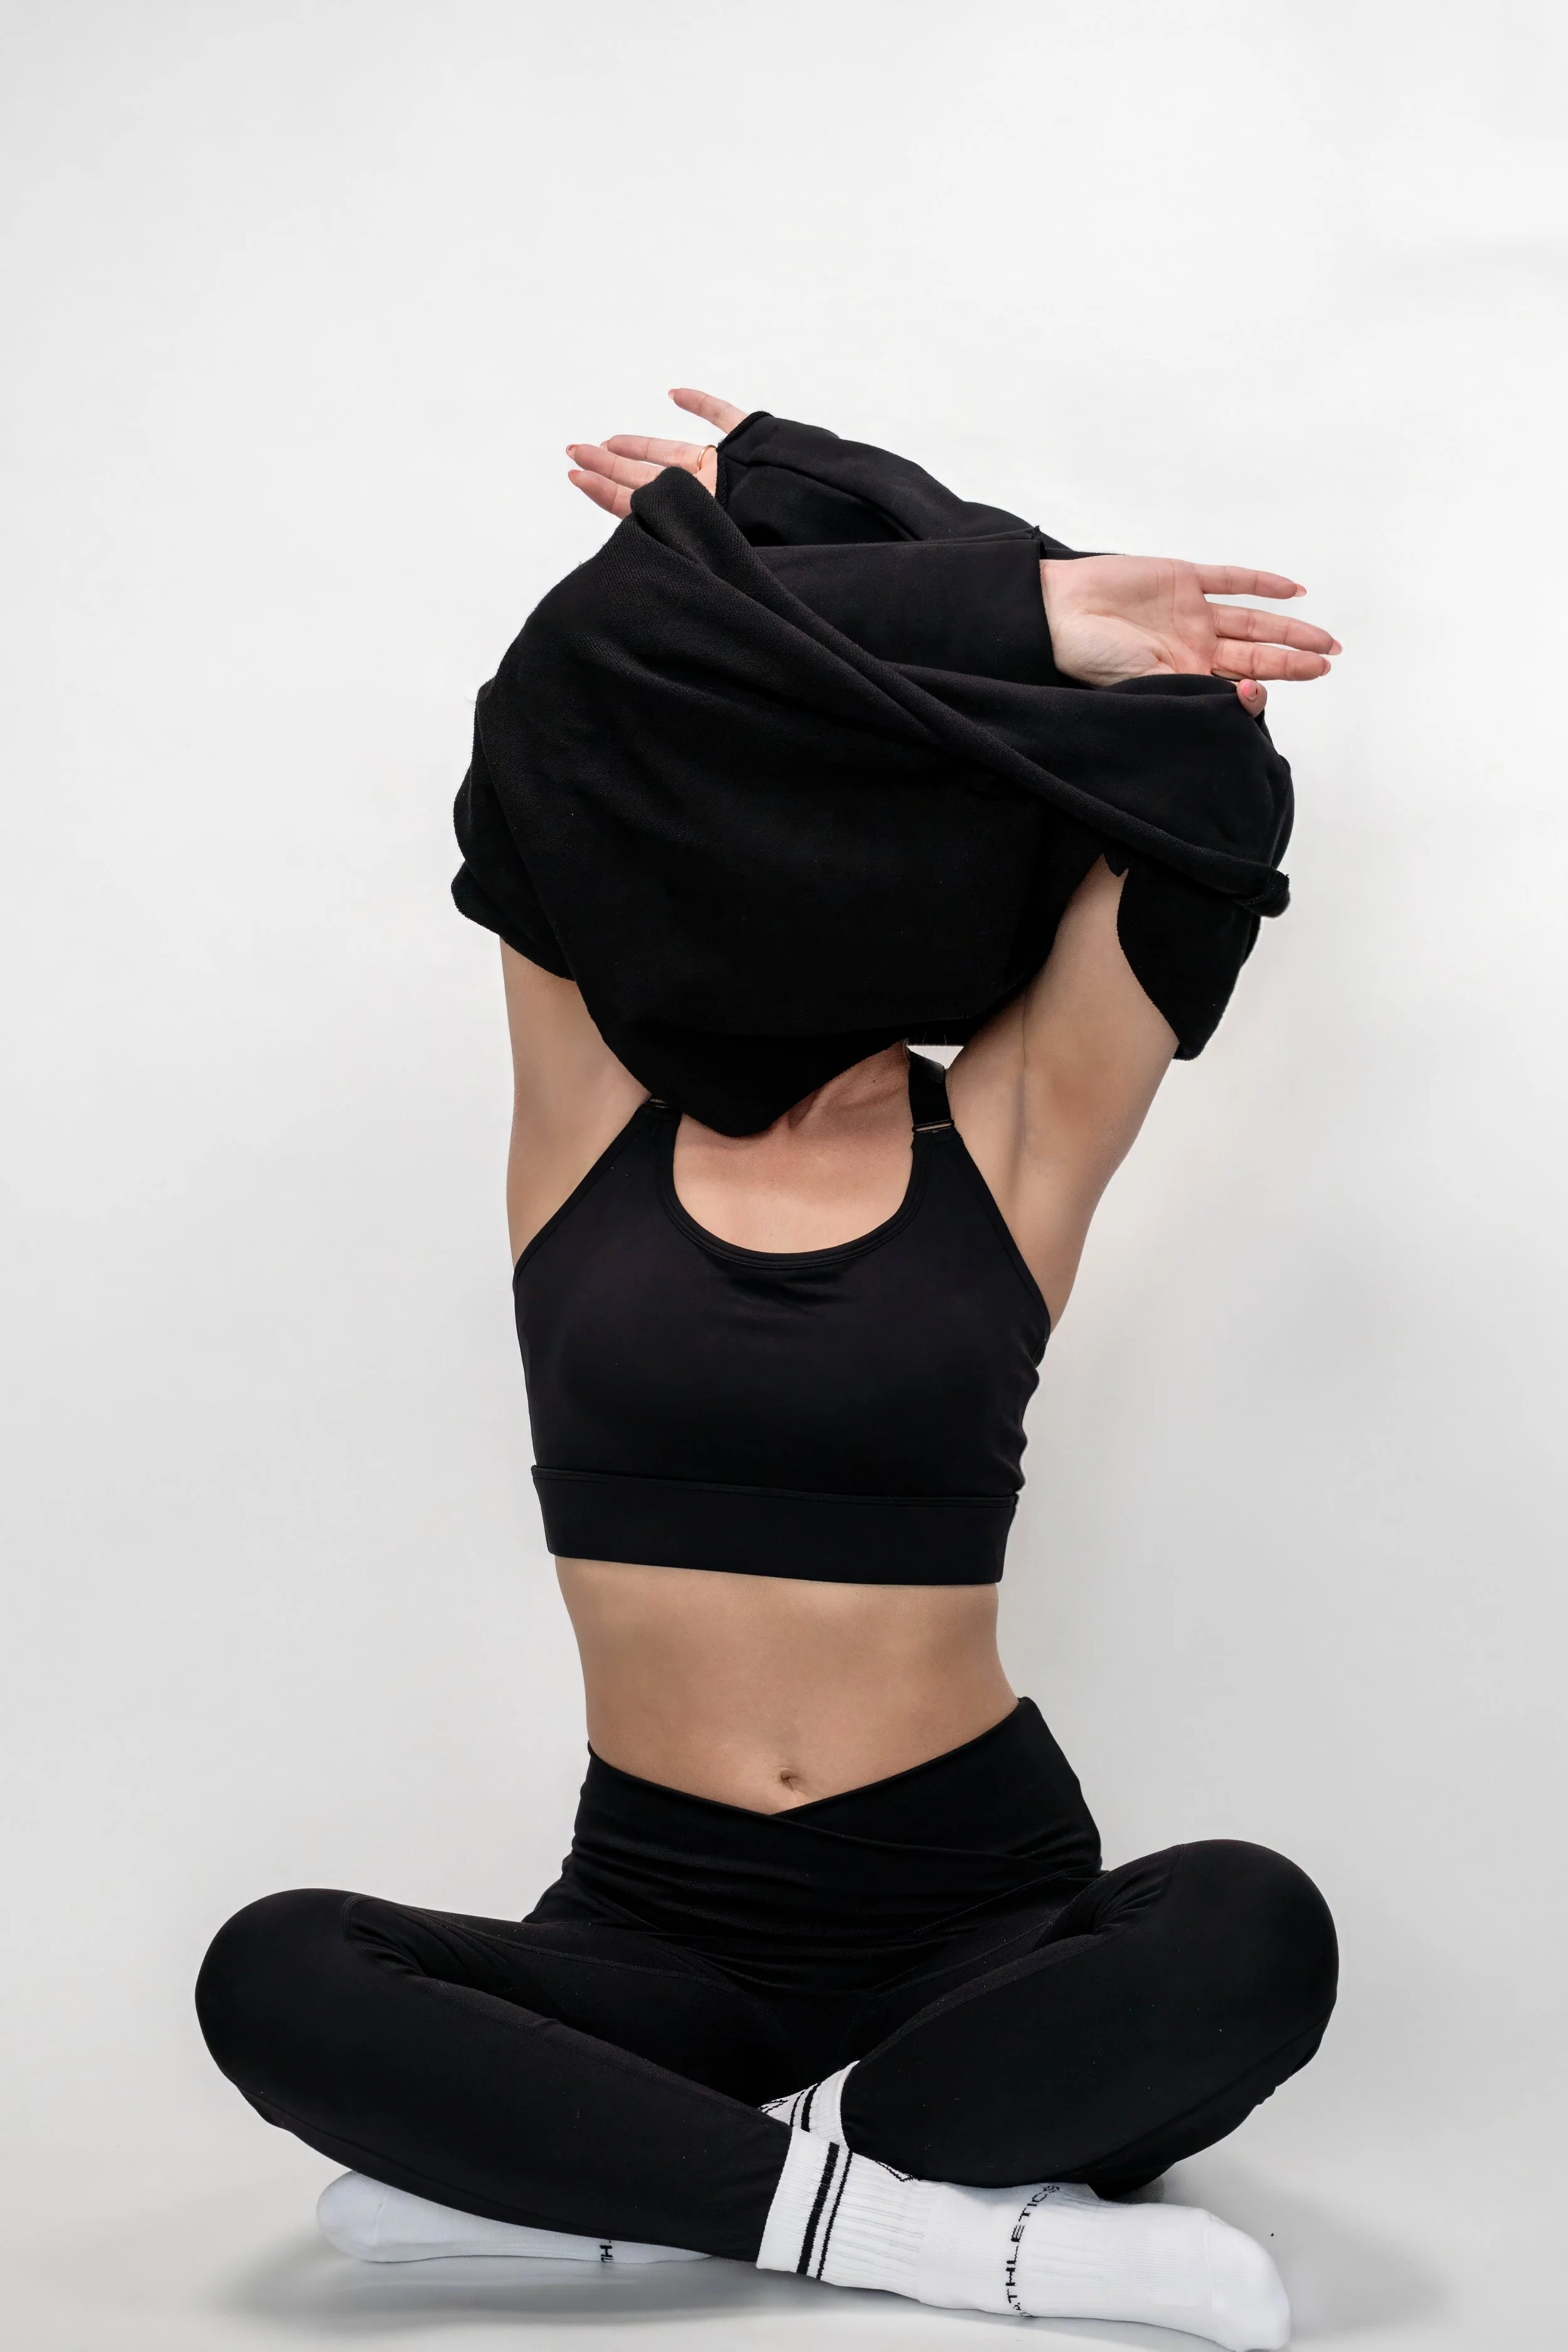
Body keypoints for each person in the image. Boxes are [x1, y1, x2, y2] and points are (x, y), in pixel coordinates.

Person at [196, 391, 1341, 2349]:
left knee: (1253, 1927)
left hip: (975, 1915)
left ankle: (650, 2179)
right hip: (656, 1930)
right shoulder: (582, 1118)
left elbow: (1200, 768)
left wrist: (977, 587)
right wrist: (806, 533)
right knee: (272, 1969)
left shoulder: (1009, 1138)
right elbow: (556, 703)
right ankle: (925, 2229)